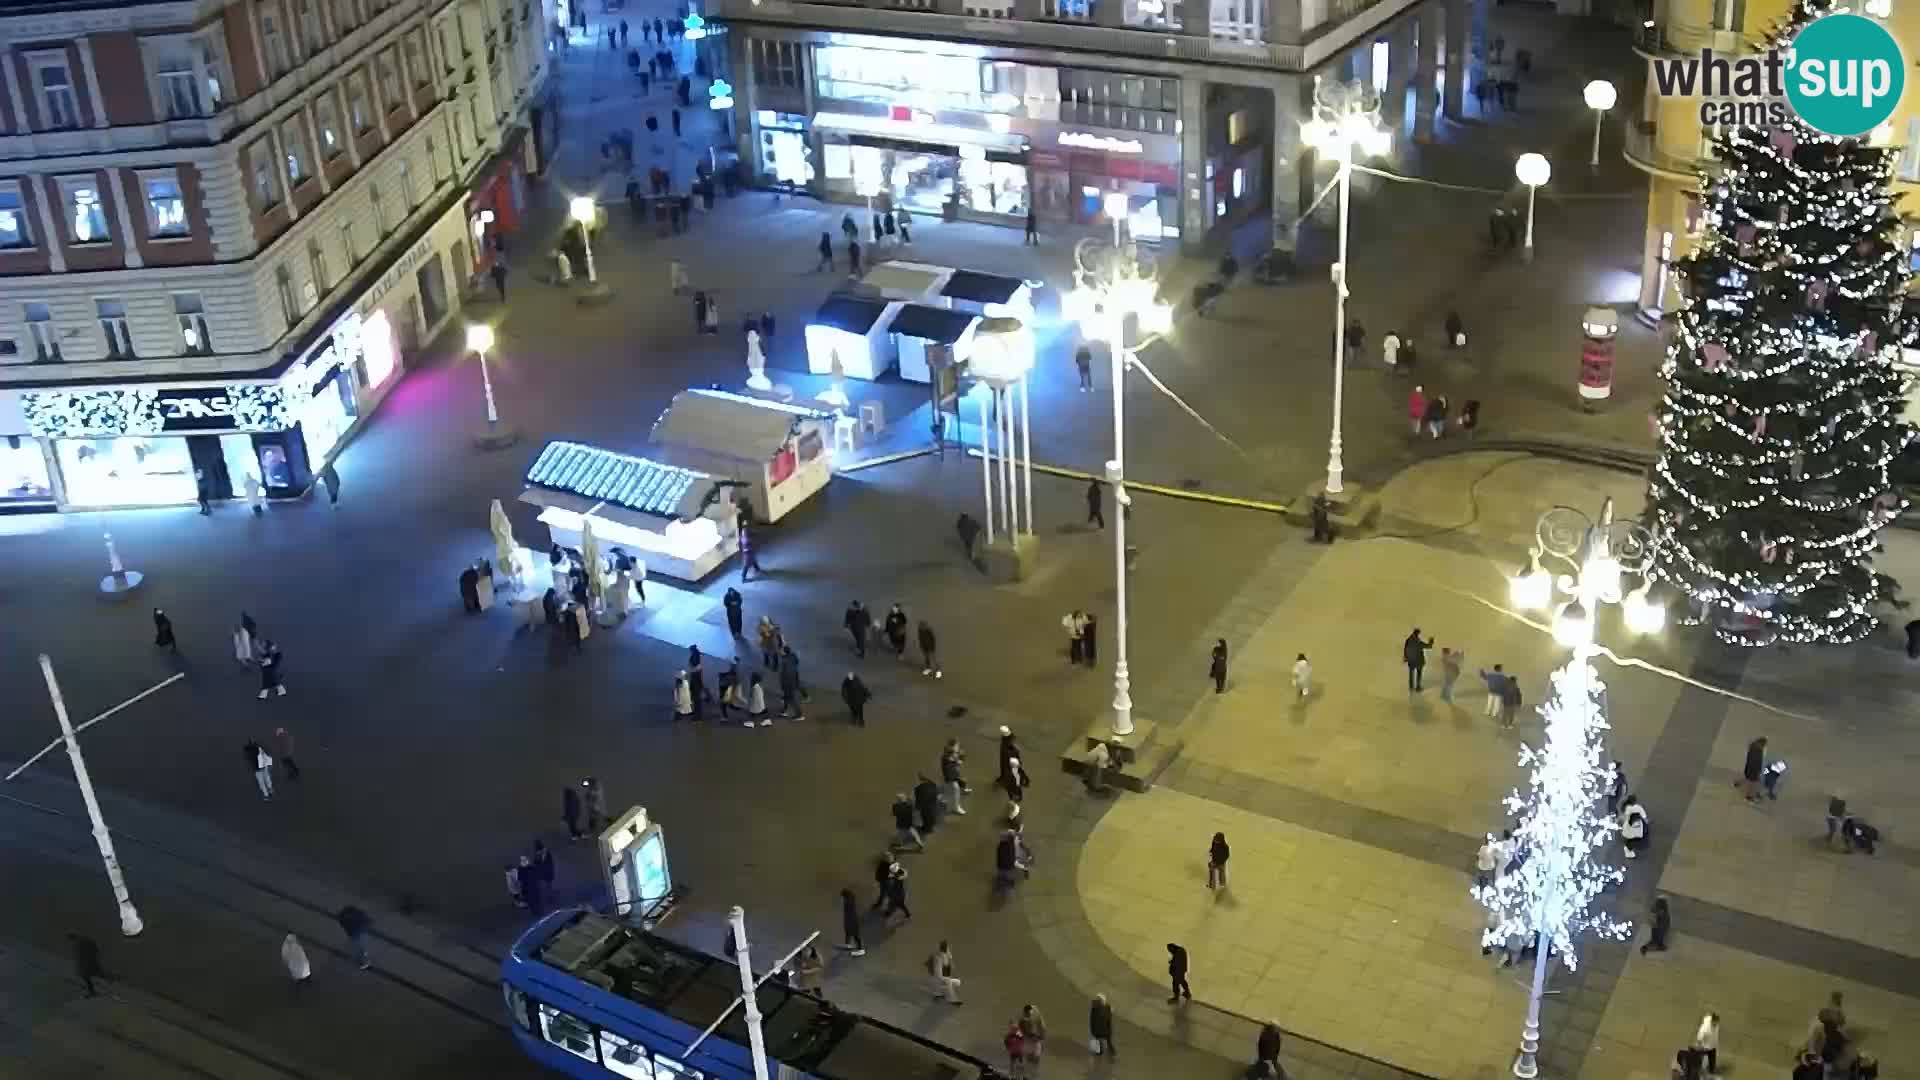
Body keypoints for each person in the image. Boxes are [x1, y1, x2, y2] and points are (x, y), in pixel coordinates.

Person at [337, 905, 372, 969]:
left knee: (360, 948)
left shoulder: (346, 919)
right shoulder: (357, 916)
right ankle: (364, 960)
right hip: (358, 933)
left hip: (356, 934)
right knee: (361, 948)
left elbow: (346, 927)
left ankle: (364, 961)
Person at [941, 739, 969, 814]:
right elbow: (949, 769)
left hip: (955, 774)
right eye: (956, 746)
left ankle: (963, 790)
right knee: (955, 789)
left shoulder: (955, 753)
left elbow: (960, 758)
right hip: (950, 777)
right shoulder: (946, 758)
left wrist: (960, 760)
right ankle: (956, 807)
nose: (958, 748)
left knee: (963, 782)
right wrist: (957, 762)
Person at [779, 646, 806, 719]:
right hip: (794, 679)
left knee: (792, 698)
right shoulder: (793, 656)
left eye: (781, 650)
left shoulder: (784, 660)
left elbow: (783, 673)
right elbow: (797, 662)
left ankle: (799, 715)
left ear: (784, 652)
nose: (780, 651)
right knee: (786, 697)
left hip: (788, 682)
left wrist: (782, 684)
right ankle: (784, 711)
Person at [838, 887, 865, 956]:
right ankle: (849, 945)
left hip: (851, 923)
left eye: (843, 897)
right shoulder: (850, 899)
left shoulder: (848, 904)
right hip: (852, 922)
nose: (842, 899)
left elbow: (849, 916)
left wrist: (847, 925)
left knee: (854, 936)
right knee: (850, 934)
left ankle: (859, 949)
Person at [1019, 1004, 1047, 1069]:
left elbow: (1042, 1026)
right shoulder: (1023, 1019)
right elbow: (1022, 1030)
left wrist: (1041, 1036)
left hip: (1033, 1040)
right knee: (1032, 1058)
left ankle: (1032, 1070)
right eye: (1028, 1013)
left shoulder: (1034, 1014)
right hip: (1030, 1040)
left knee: (1034, 1058)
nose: (1030, 1014)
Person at [1740, 736, 1767, 800]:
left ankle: (1754, 793)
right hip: (1753, 770)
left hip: (1749, 768)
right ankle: (1749, 795)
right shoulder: (1757, 751)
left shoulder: (1753, 747)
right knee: (1753, 783)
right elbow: (1757, 762)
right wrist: (1758, 771)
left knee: (1750, 780)